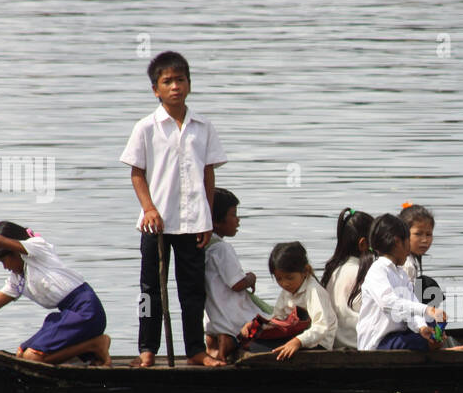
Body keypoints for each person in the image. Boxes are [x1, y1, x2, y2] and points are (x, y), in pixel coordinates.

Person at [121, 50, 226, 367]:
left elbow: (208, 172)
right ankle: (146, 349)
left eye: (180, 80)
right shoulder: (147, 127)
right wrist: (149, 208)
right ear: (156, 89)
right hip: (156, 224)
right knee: (149, 291)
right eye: (167, 81)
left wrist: (207, 216)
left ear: (189, 84)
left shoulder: (202, 127)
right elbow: (137, 172)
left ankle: (195, 350)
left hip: (193, 222)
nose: (175, 87)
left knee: (193, 291)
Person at [0, 202, 110, 366]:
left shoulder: (37, 248)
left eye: (4, 261)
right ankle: (88, 349)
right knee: (22, 354)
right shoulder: (18, 278)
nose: (5, 267)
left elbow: (0, 241)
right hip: (68, 315)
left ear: (14, 252)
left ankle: (96, 344)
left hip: (86, 311)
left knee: (33, 359)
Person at [355, 214, 448, 351]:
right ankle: (443, 352)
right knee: (419, 340)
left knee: (431, 326)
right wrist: (427, 309)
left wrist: (421, 327)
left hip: (396, 336)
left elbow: (412, 304)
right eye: (408, 242)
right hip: (378, 343)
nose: (409, 249)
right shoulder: (378, 269)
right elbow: (388, 303)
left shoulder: (401, 274)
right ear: (398, 242)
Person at [248, 242, 337, 360]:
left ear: (305, 271)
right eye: (279, 279)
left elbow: (321, 327)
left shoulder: (314, 291)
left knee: (260, 350)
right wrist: (258, 325)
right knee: (252, 344)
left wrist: (298, 341)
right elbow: (278, 318)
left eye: (289, 278)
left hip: (318, 344)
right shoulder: (287, 291)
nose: (284, 283)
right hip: (295, 336)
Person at [203, 188, 258, 362]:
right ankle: (230, 341)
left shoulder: (203, 246)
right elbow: (237, 283)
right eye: (233, 214)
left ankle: (213, 345)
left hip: (212, 318)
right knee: (267, 323)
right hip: (228, 318)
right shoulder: (222, 248)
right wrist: (251, 278)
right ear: (217, 221)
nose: (238, 220)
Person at [320, 208, 373, 350]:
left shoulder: (334, 270)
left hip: (336, 343)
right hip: (357, 344)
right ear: (363, 244)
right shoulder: (361, 273)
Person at [399, 203, 444, 306]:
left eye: (428, 234)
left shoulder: (409, 260)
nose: (424, 240)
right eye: (418, 234)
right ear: (404, 233)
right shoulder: (406, 264)